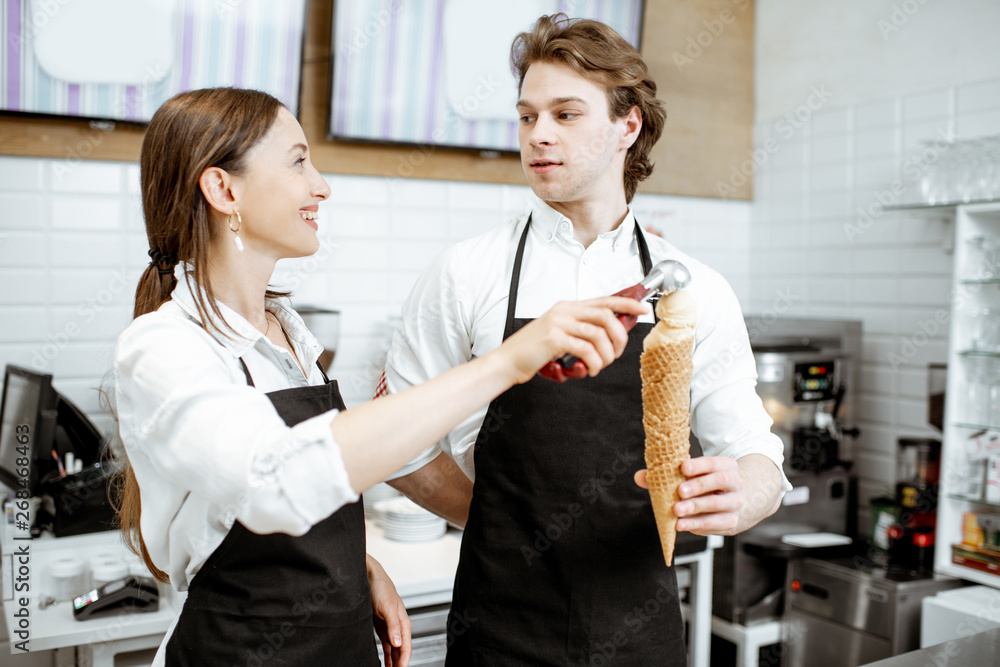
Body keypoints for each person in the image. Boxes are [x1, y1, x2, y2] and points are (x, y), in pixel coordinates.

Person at [111, 86, 645, 667]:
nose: (322, 185)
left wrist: (354, 565)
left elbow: (293, 504)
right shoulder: (161, 347)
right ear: (223, 189)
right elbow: (275, 483)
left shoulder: (291, 335)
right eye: (297, 161)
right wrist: (508, 363)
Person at [380, 14, 791, 665]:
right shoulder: (468, 272)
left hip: (641, 632)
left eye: (566, 114)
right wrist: (503, 522)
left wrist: (746, 492)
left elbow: (756, 452)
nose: (538, 134)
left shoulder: (692, 286)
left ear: (628, 125)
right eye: (526, 115)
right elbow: (392, 439)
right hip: (497, 631)